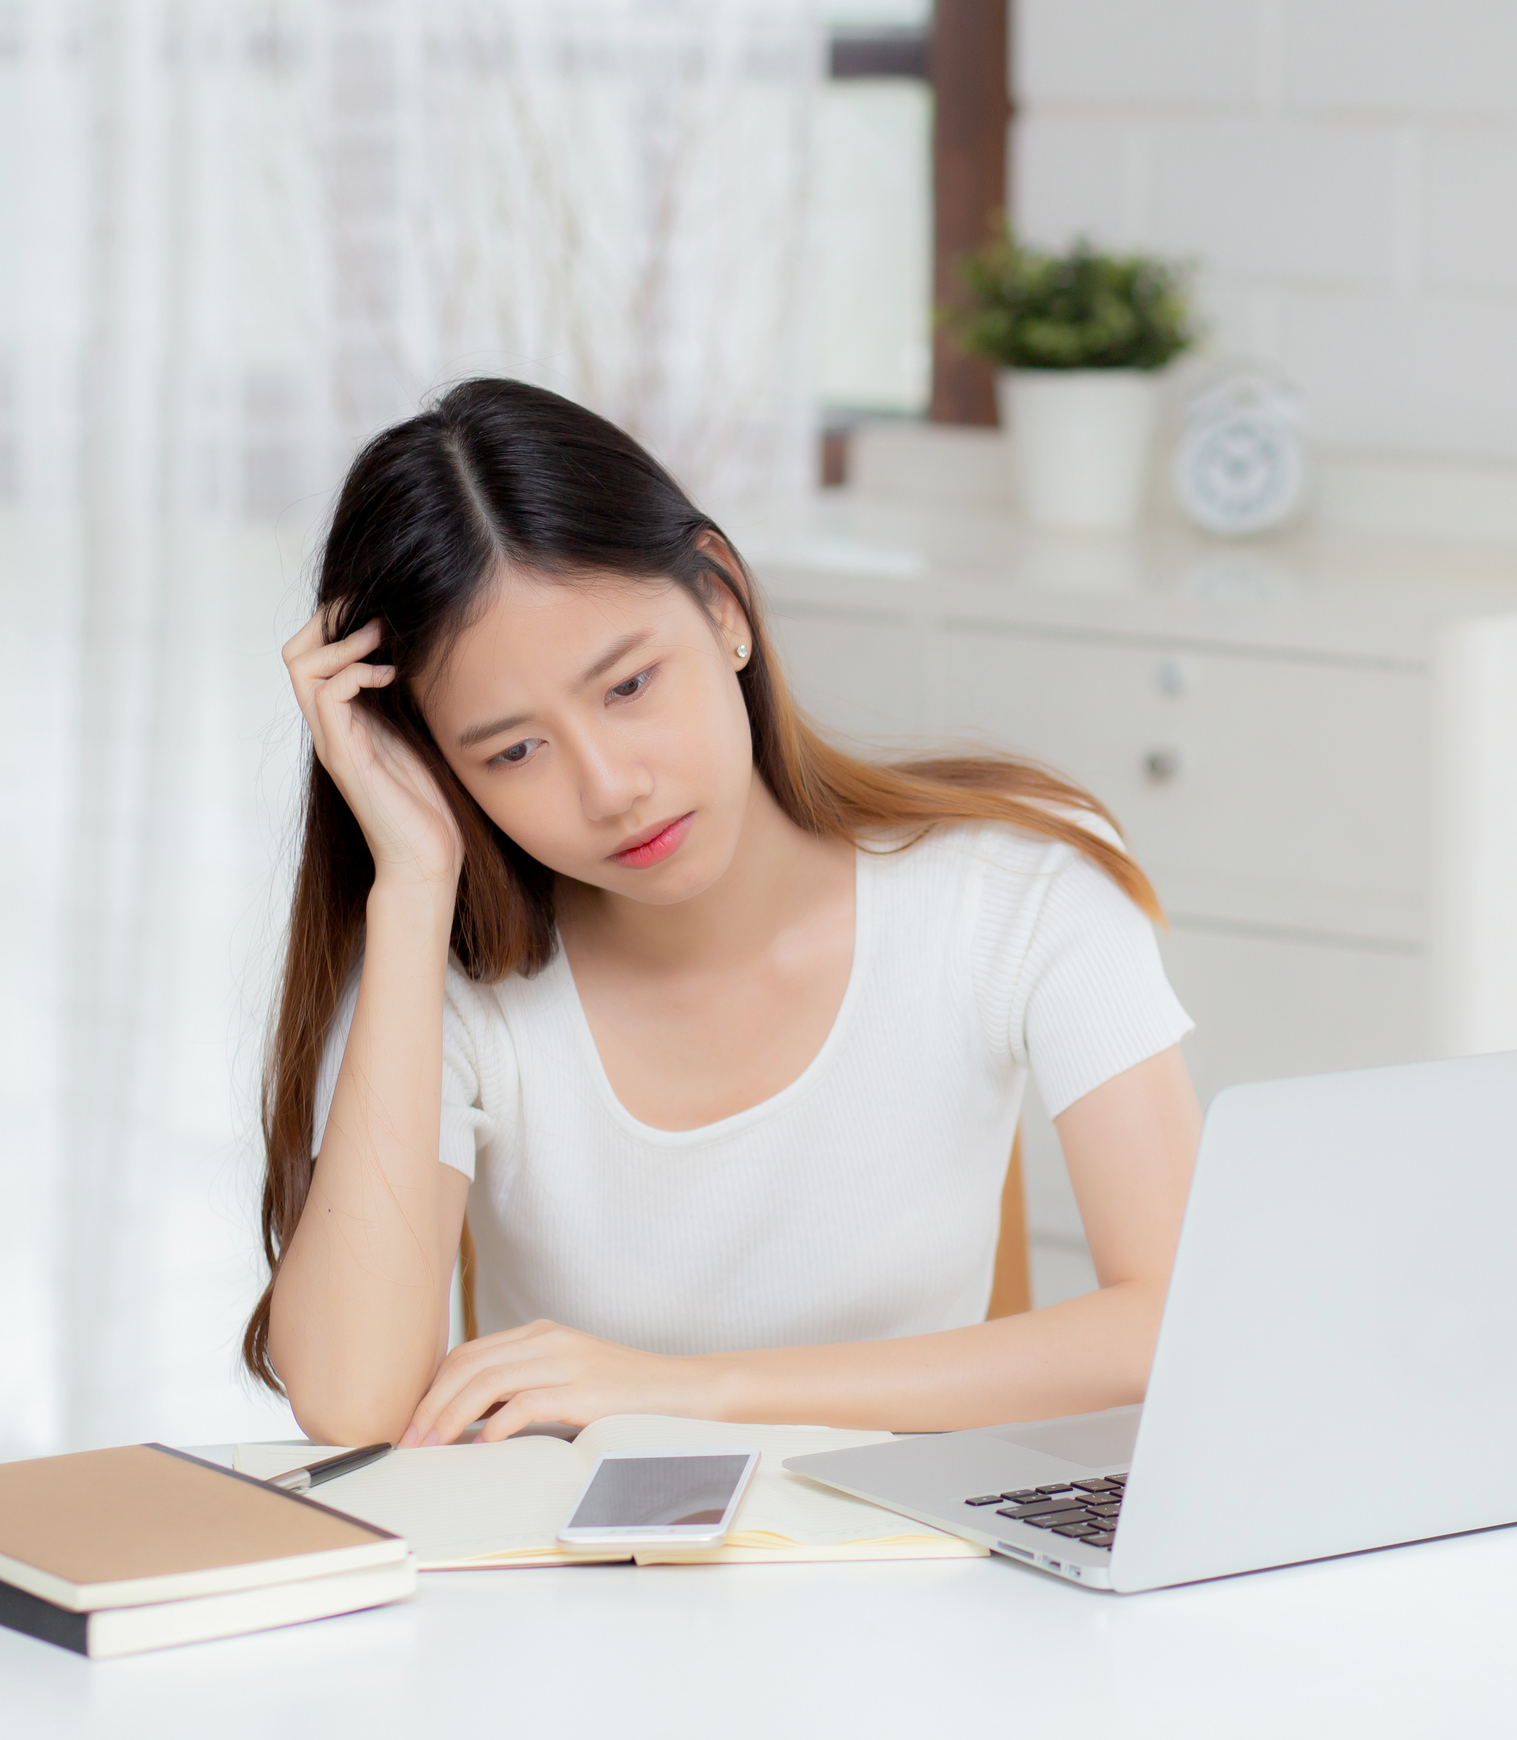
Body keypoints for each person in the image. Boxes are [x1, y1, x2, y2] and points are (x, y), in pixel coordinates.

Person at [250, 379, 1202, 1448]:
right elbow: (348, 1402)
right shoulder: (447, 994)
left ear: (722, 608)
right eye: (512, 751)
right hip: (586, 1599)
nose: (609, 786)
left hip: (913, 1583)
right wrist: (415, 884)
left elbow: (1180, 1324)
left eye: (628, 685)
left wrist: (686, 1391)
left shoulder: (1015, 886)